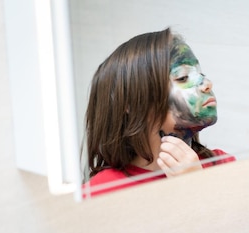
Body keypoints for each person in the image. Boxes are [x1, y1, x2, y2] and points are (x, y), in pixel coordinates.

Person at [82, 28, 235, 197]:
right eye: (183, 77)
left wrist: (200, 186)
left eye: (200, 73)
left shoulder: (222, 165)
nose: (207, 83)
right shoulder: (101, 191)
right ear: (132, 102)